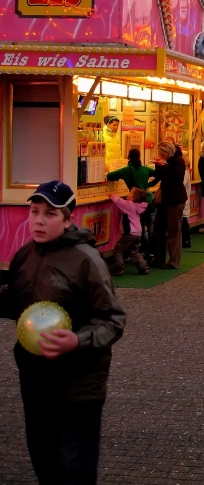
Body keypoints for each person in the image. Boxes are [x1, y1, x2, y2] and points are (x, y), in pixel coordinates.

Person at [0, 180, 126, 484]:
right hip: (36, 380)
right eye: (34, 211)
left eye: (50, 214)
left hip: (79, 385)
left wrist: (77, 340)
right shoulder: (26, 255)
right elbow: (16, 300)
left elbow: (113, 319)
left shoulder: (87, 260)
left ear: (69, 218)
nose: (39, 220)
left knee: (73, 468)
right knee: (43, 462)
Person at [106, 147, 155, 251]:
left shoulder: (126, 170)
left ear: (128, 158)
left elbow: (109, 176)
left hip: (137, 201)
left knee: (140, 227)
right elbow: (159, 174)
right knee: (151, 228)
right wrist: (150, 184)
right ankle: (152, 252)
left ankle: (142, 249)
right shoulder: (145, 169)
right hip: (150, 200)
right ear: (139, 157)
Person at [150, 142, 187, 269]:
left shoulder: (179, 161)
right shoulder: (167, 162)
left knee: (173, 231)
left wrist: (164, 167)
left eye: (162, 153)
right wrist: (158, 166)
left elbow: (177, 179)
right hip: (164, 199)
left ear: (167, 152)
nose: (160, 155)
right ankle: (158, 259)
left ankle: (174, 261)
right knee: (158, 230)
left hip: (175, 200)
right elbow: (160, 177)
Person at [108, 188, 151, 276]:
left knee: (118, 249)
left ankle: (119, 268)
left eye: (130, 192)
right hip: (138, 232)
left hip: (130, 232)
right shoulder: (139, 206)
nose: (128, 193)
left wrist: (111, 194)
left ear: (134, 197)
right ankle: (143, 267)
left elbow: (118, 201)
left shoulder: (129, 205)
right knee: (134, 251)